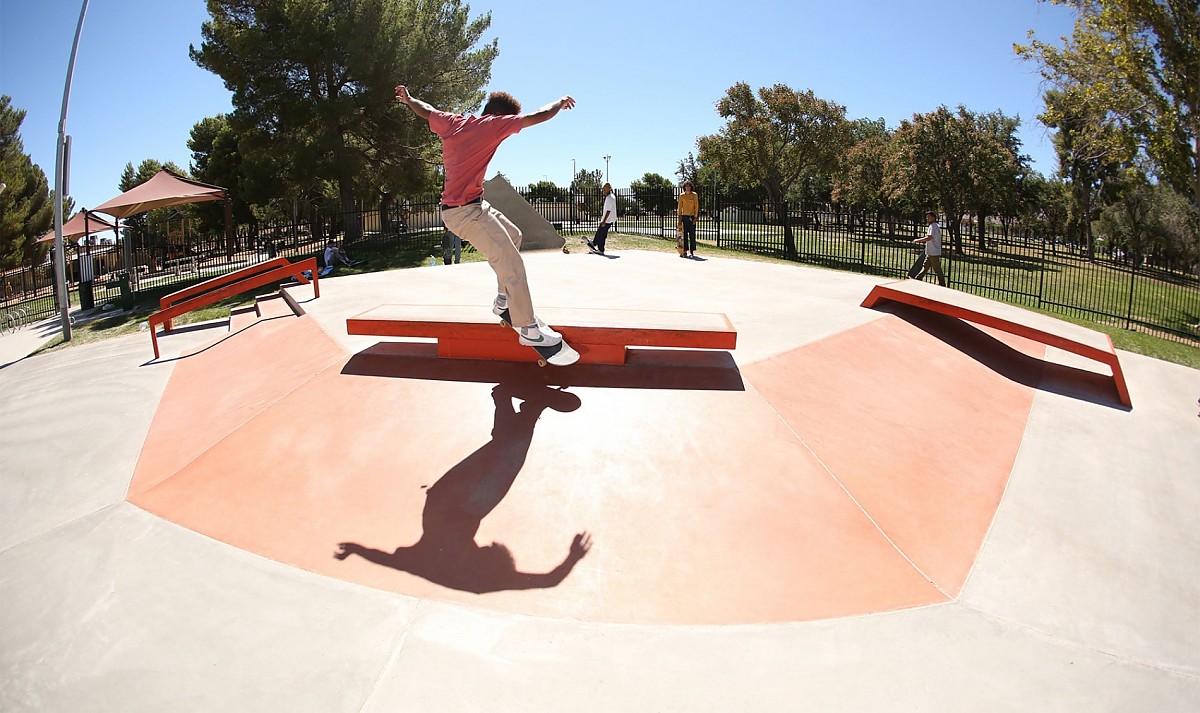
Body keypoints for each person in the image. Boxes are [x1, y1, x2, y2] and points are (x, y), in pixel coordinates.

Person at [395, 84, 575, 351]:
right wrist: (559, 102)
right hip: (465, 213)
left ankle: (503, 299)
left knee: (514, 235)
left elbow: (427, 110)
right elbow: (538, 116)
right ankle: (527, 328)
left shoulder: (453, 122)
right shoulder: (493, 125)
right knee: (511, 264)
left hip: (472, 207)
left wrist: (409, 99)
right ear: (501, 117)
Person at [911, 211, 947, 286]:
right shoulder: (935, 226)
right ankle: (918, 278)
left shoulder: (933, 226)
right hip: (931, 251)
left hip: (933, 251)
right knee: (925, 266)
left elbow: (929, 237)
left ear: (933, 217)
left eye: (929, 217)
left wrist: (918, 240)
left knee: (937, 268)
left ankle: (942, 283)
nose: (927, 218)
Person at [587, 182, 617, 254]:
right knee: (600, 231)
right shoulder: (610, 197)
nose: (604, 191)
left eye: (605, 190)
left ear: (609, 189)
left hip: (608, 220)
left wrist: (604, 220)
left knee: (602, 235)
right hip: (607, 219)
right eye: (603, 190)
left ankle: (601, 250)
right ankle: (594, 243)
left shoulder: (610, 198)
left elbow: (609, 210)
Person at [677, 181, 699, 258]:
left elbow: (696, 207)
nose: (688, 187)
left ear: (691, 187)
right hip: (684, 217)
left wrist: (695, 218)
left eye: (689, 186)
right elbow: (679, 208)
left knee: (692, 235)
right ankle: (684, 250)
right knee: (684, 235)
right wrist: (679, 219)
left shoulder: (694, 195)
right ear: (684, 187)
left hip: (692, 217)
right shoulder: (681, 196)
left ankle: (692, 251)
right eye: (686, 186)